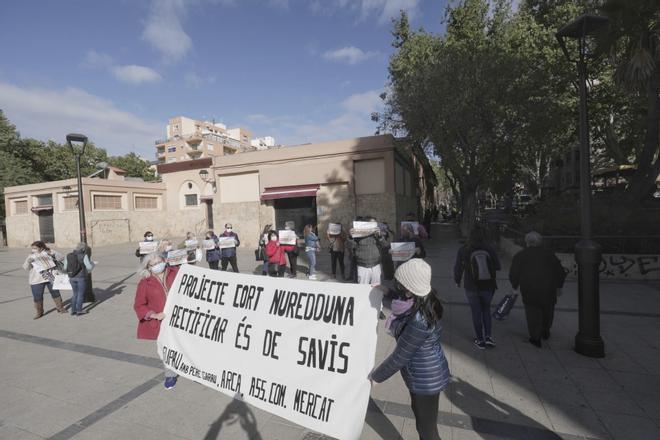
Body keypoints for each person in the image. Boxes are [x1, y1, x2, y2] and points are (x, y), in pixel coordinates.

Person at [370, 259, 450, 440]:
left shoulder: (419, 321)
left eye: (399, 283)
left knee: (427, 430)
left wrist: (376, 378)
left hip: (426, 380)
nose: (396, 285)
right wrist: (386, 291)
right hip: (422, 374)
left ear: (409, 288)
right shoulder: (421, 299)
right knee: (421, 419)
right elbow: (402, 298)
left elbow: (400, 357)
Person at [509, 231, 567, 348]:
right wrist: (559, 286)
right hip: (549, 289)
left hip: (530, 290)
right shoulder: (549, 255)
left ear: (527, 242)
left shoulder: (521, 255)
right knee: (548, 311)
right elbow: (560, 271)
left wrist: (514, 286)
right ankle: (545, 331)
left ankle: (535, 338)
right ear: (540, 242)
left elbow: (514, 273)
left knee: (533, 313)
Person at [133, 254, 180, 389]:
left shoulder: (176, 273)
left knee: (184, 344)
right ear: (148, 267)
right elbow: (139, 305)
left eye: (159, 261)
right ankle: (170, 375)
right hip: (161, 322)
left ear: (164, 261)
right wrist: (153, 315)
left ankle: (192, 371)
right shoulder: (145, 283)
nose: (157, 265)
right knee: (166, 349)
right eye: (153, 264)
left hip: (179, 318)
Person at [454, 225, 501, 349]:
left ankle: (480, 340)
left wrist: (457, 280)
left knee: (476, 312)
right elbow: (498, 266)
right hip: (488, 285)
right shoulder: (489, 248)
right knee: (486, 310)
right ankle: (488, 337)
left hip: (471, 286)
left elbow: (458, 268)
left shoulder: (464, 249)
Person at [22, 241, 65, 318]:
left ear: (41, 248)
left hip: (50, 277)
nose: (33, 250)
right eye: (32, 248)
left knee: (56, 293)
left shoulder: (50, 251)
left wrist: (53, 255)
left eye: (35, 248)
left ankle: (60, 308)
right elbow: (26, 268)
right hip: (36, 280)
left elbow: (62, 257)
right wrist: (28, 262)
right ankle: (39, 312)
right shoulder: (31, 256)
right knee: (37, 296)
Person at [348, 216, 386, 285]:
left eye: (375, 224)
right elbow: (350, 247)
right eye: (372, 224)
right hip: (363, 266)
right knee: (362, 288)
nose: (374, 226)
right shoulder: (358, 233)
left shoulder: (378, 234)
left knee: (377, 288)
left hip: (376, 265)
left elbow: (385, 245)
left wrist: (380, 236)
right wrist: (350, 237)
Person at [63, 242, 95, 316]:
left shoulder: (68, 255)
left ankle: (73, 310)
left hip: (72, 277)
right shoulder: (84, 256)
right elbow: (89, 267)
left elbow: (64, 268)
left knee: (75, 294)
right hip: (81, 277)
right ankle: (79, 310)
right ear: (83, 249)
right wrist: (92, 264)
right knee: (80, 294)